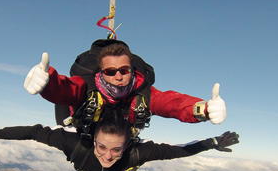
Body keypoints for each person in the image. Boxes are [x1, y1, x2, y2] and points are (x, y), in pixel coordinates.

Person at [22, 41, 227, 136]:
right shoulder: (86, 87)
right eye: (110, 71)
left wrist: (202, 109)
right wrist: (47, 82)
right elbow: (67, 89)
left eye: (124, 70)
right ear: (101, 73)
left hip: (116, 138)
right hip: (84, 129)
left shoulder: (143, 95)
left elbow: (171, 103)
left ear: (132, 70)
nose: (118, 76)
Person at [0, 117, 238, 171]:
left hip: (104, 164)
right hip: (86, 155)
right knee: (69, 118)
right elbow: (35, 132)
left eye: (117, 150)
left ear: (127, 146)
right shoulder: (77, 144)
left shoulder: (137, 153)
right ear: (92, 141)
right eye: (102, 147)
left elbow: (178, 151)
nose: (108, 156)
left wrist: (212, 142)